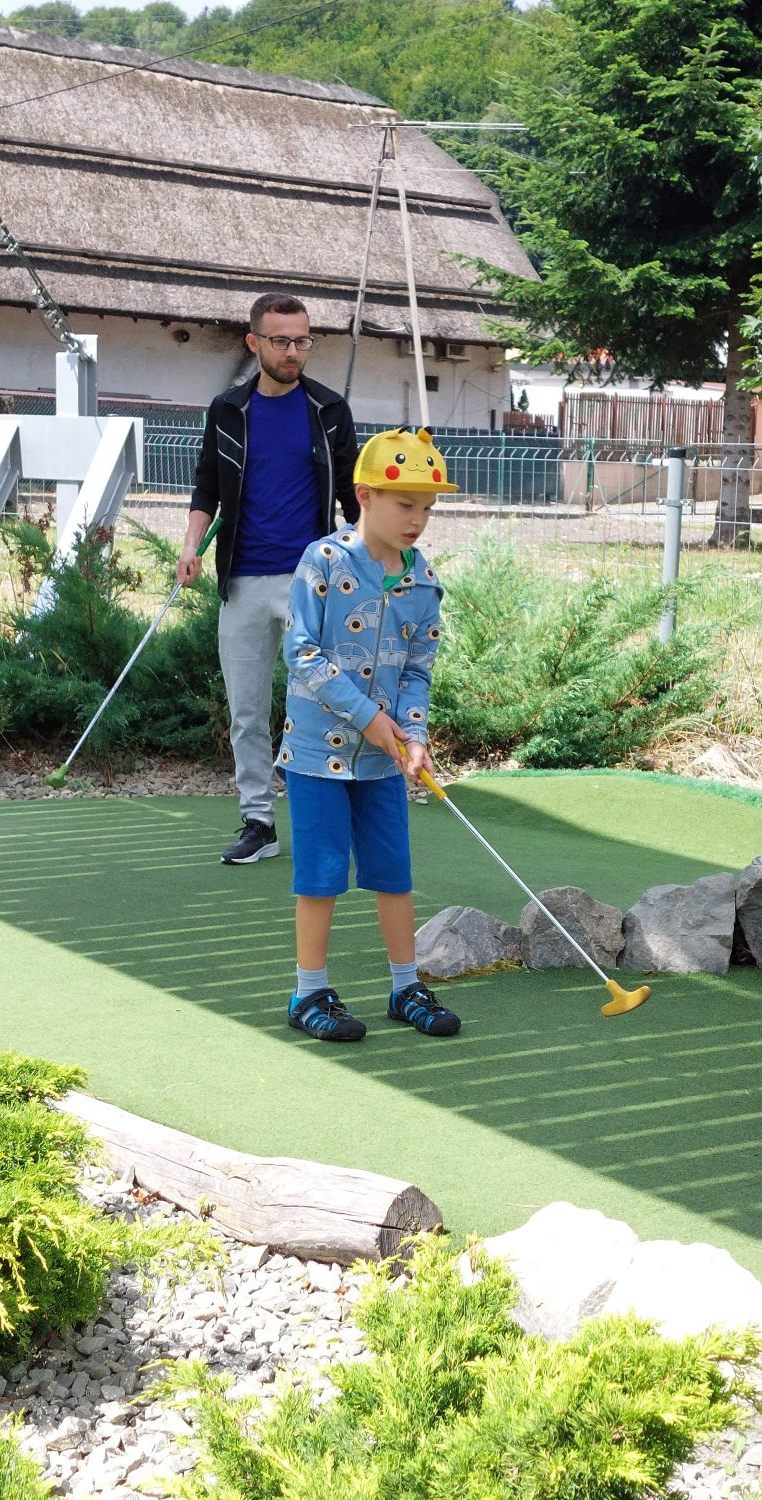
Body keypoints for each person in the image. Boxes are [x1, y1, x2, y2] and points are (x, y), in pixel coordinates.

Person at [279, 426, 460, 1043]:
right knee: (321, 873)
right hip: (316, 753)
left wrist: (414, 734)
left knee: (392, 871)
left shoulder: (423, 581)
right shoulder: (324, 561)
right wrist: (368, 717)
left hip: (385, 759)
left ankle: (406, 986)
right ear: (365, 495)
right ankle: (309, 992)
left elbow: (417, 671)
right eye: (405, 504)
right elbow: (301, 652)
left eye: (427, 508)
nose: (418, 520)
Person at [176, 292, 359, 865]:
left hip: (313, 582)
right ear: (253, 342)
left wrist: (376, 559)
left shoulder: (329, 409)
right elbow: (207, 485)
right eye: (281, 341)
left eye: (303, 340)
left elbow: (354, 496)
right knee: (247, 712)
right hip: (243, 581)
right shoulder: (229, 409)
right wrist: (190, 546)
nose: (293, 351)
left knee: (326, 705)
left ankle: (329, 815)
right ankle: (259, 821)